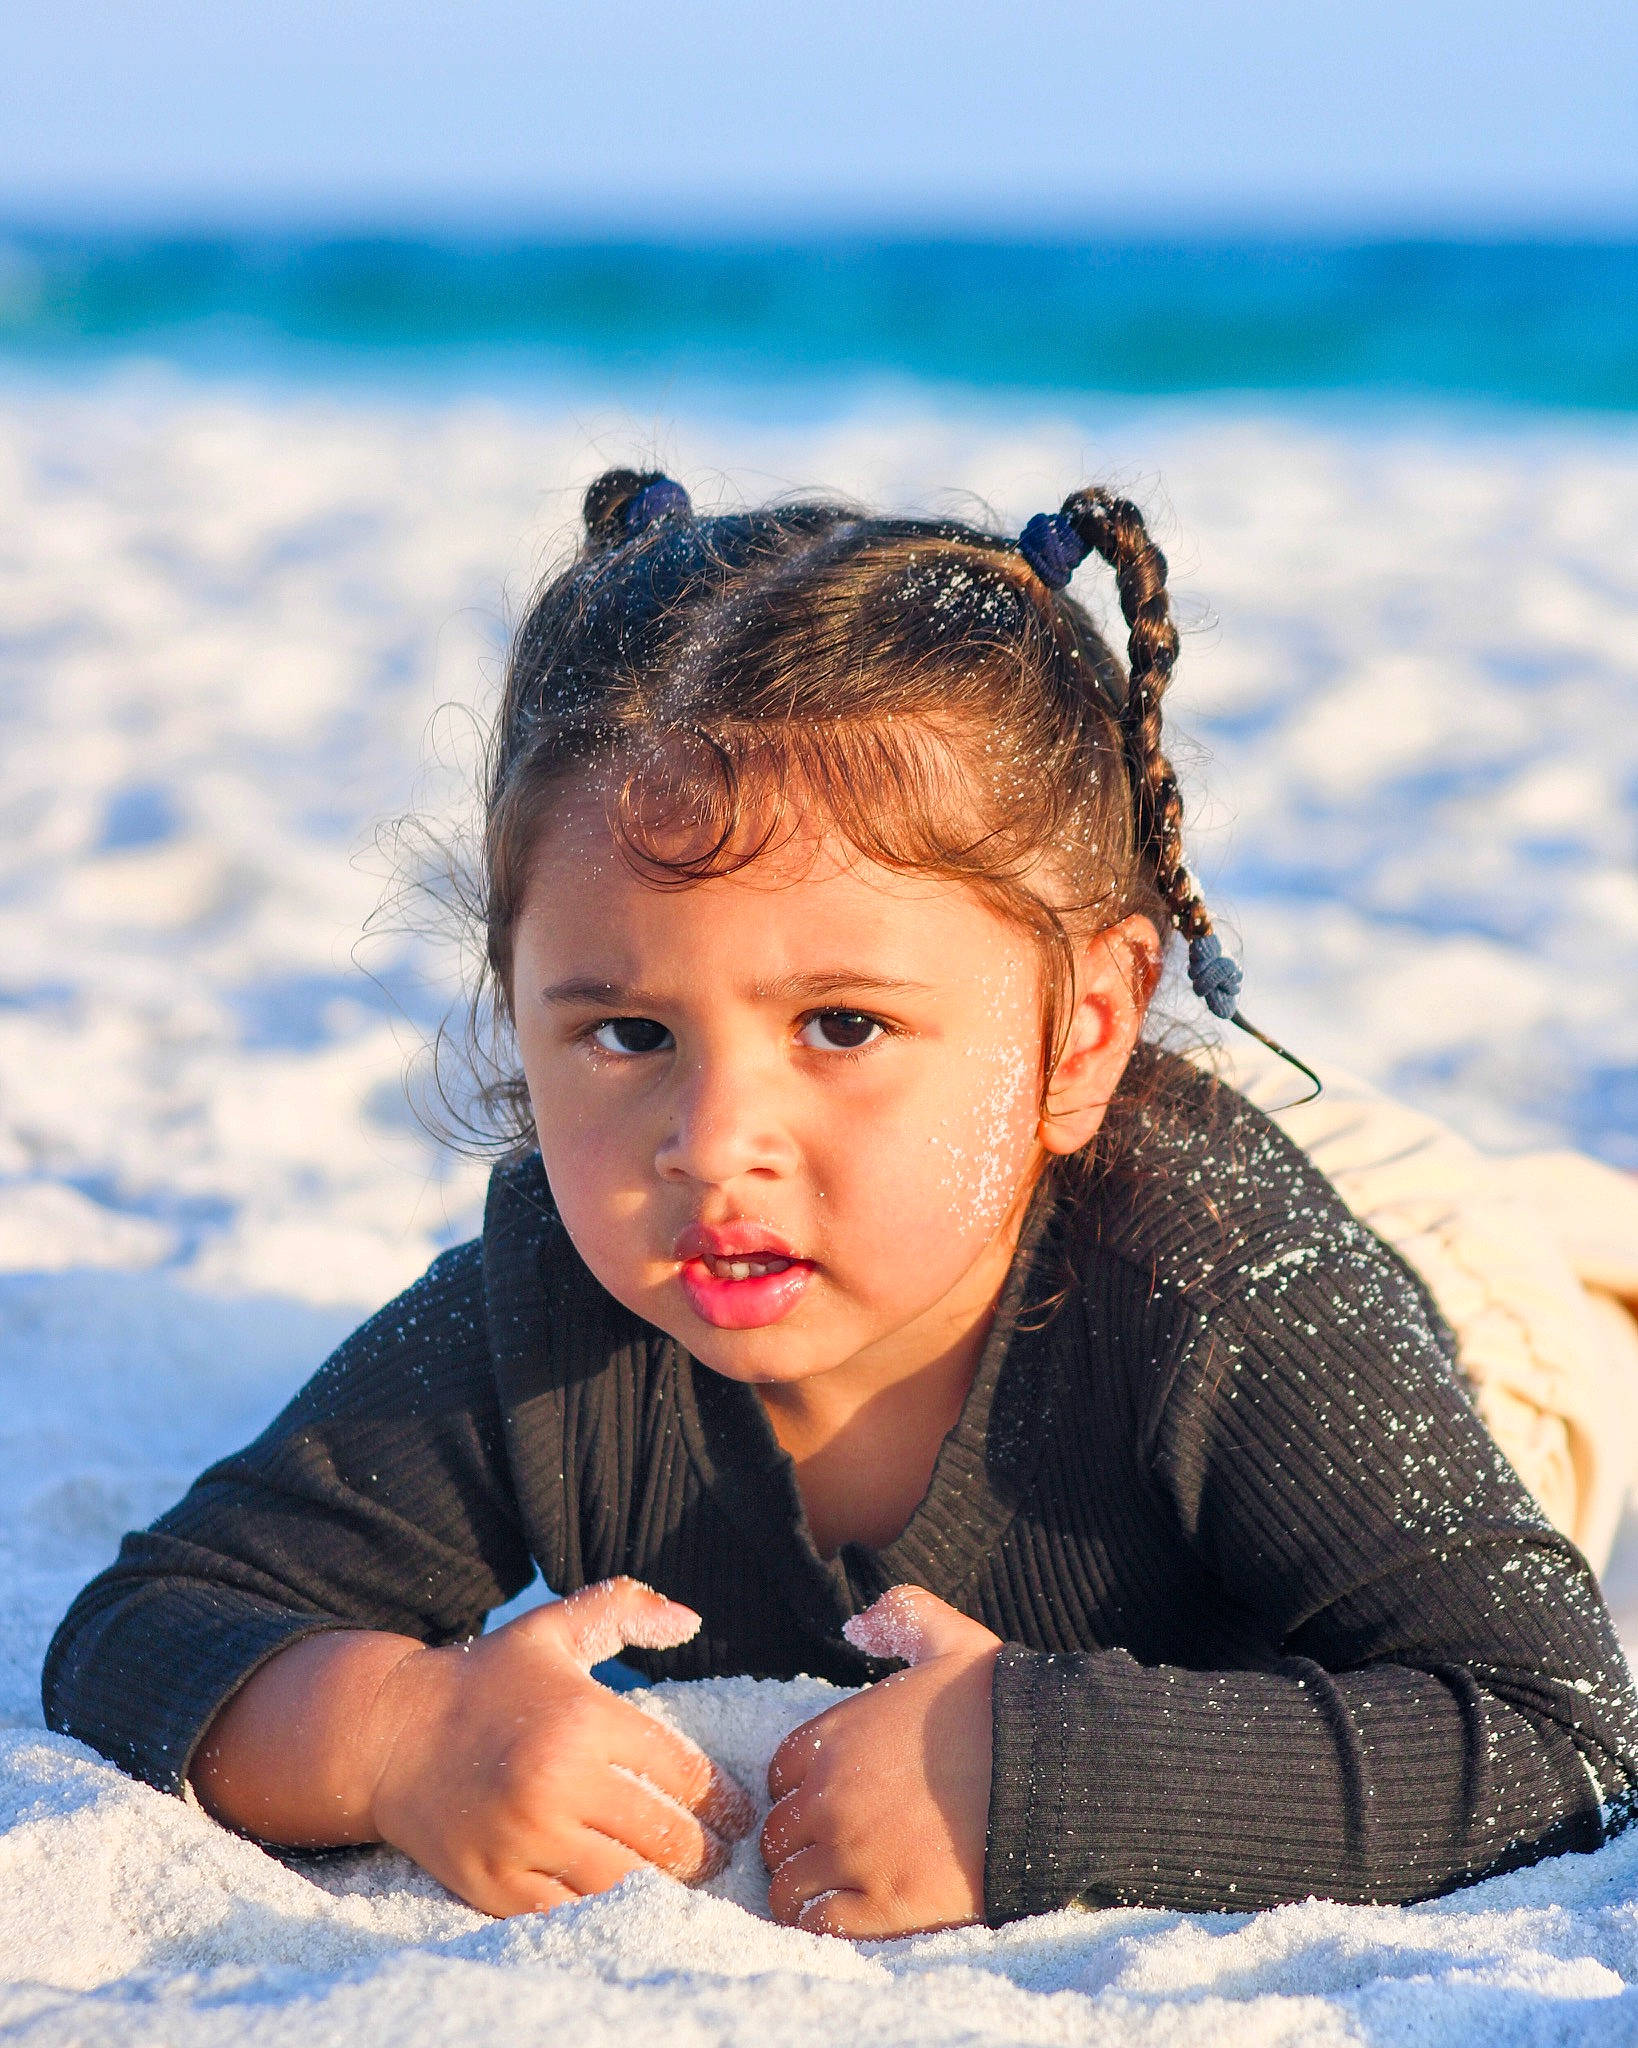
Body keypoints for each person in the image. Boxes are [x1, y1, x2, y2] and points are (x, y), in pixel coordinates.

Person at [44, 471, 1638, 1939]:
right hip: (1062, 1156)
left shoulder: (1223, 1292)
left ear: (1075, 1029)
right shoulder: (549, 1308)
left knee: (1575, 1281)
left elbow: (1558, 1726)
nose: (710, 1143)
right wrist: (394, 1736)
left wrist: (1040, 1781)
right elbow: (149, 1625)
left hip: (1411, 1280)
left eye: (842, 1026)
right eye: (627, 1034)